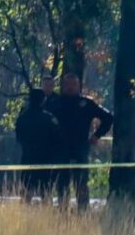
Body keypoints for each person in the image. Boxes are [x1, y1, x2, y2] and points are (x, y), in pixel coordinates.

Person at [44, 72, 113, 212]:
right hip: (60, 150)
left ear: (79, 86)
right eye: (67, 84)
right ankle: (62, 213)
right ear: (63, 86)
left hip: (80, 148)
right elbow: (43, 122)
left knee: (81, 183)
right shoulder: (53, 103)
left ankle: (83, 213)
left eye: (73, 84)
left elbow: (108, 118)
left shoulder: (87, 103)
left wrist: (96, 135)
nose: (70, 87)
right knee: (62, 184)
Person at [15, 89, 62, 203]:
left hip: (27, 158)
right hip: (45, 159)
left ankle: (23, 214)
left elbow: (19, 138)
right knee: (46, 191)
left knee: (26, 190)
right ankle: (46, 215)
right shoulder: (49, 118)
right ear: (43, 100)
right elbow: (57, 137)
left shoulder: (22, 118)